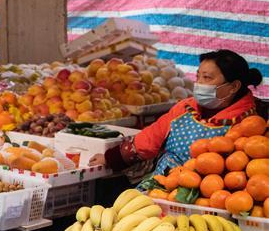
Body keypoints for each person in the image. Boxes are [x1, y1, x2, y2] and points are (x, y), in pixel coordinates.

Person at [91, 50, 265, 176]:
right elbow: (152, 136)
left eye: (207, 78)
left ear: (234, 86)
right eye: (198, 77)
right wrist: (112, 158)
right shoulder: (185, 108)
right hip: (162, 185)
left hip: (210, 197)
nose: (199, 83)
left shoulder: (252, 122)